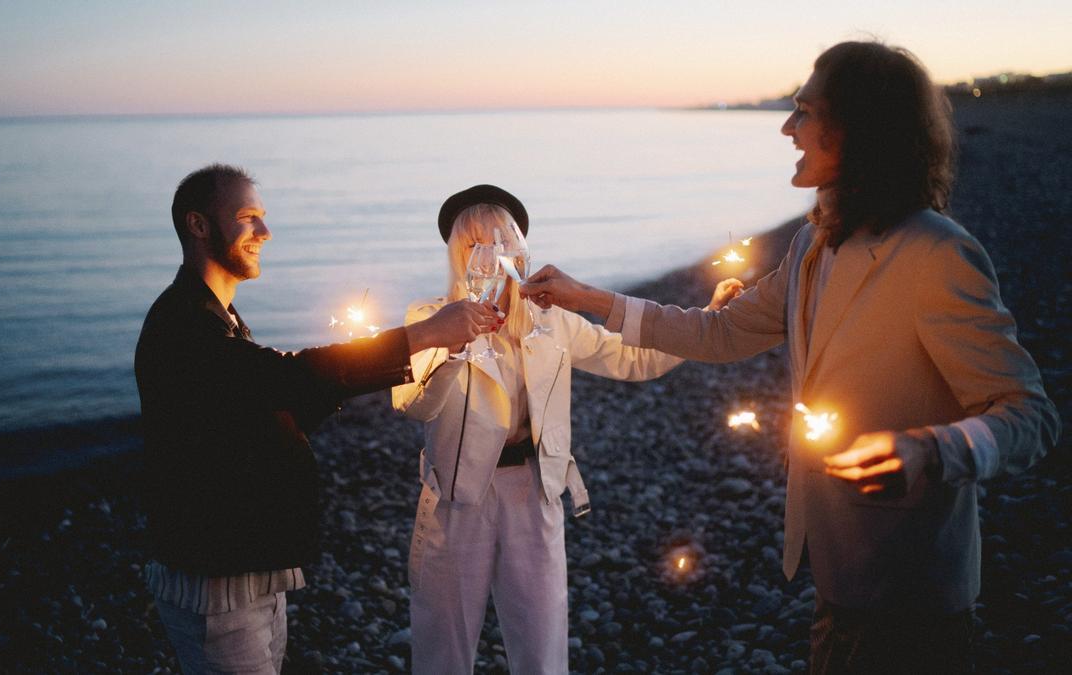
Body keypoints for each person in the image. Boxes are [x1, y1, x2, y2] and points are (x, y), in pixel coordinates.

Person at [521, 42, 1060, 673]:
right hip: (837, 570)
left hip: (912, 589)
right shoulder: (812, 243)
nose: (787, 127)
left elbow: (1030, 414)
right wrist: (588, 298)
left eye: (805, 111)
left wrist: (932, 450)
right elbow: (720, 332)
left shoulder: (935, 254)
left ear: (858, 128)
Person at [134, 164, 499, 675]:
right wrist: (421, 335)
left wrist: (345, 375)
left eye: (262, 217)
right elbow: (284, 378)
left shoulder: (220, 317)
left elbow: (272, 407)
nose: (265, 231)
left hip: (251, 568)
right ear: (198, 225)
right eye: (247, 217)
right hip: (214, 582)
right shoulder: (182, 324)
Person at [392, 184, 741, 674]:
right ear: (458, 255)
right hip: (456, 495)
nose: (492, 254)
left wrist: (705, 320)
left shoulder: (550, 320)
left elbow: (631, 358)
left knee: (542, 640)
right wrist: (450, 345)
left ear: (521, 248)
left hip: (535, 487)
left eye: (503, 240)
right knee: (442, 644)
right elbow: (414, 405)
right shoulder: (429, 318)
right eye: (476, 244)